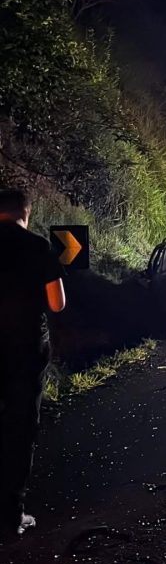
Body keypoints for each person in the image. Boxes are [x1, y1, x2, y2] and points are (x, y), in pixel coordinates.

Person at [0, 189, 66, 539]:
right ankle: (12, 514)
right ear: (25, 213)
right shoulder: (37, 246)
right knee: (21, 426)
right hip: (26, 346)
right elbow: (57, 304)